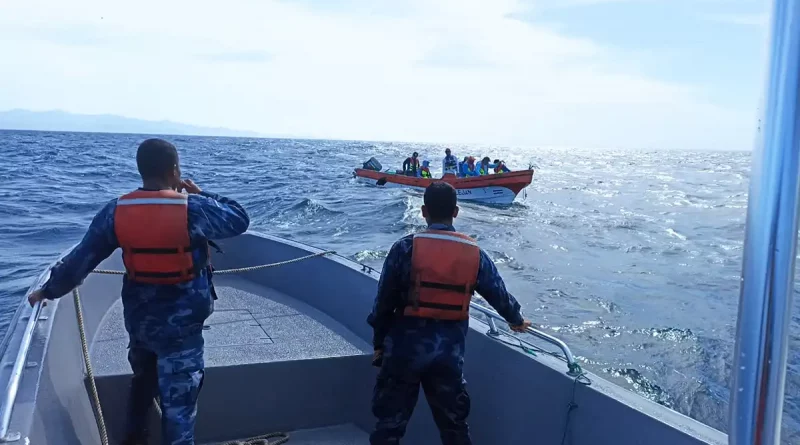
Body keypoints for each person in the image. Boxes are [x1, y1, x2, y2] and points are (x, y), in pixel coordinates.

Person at [27, 138, 250, 445]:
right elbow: (239, 218)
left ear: (141, 170)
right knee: (179, 406)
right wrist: (200, 192)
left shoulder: (115, 212)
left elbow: (80, 262)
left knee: (143, 383)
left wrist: (47, 291)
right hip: (182, 331)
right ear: (174, 171)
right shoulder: (193, 209)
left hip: (141, 323)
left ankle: (134, 439)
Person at [367, 182, 531, 445]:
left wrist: (378, 343)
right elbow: (499, 295)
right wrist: (517, 320)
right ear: (456, 212)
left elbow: (383, 303)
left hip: (403, 352)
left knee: (389, 426)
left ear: (423, 211)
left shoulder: (404, 249)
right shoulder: (475, 254)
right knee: (454, 428)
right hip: (448, 357)